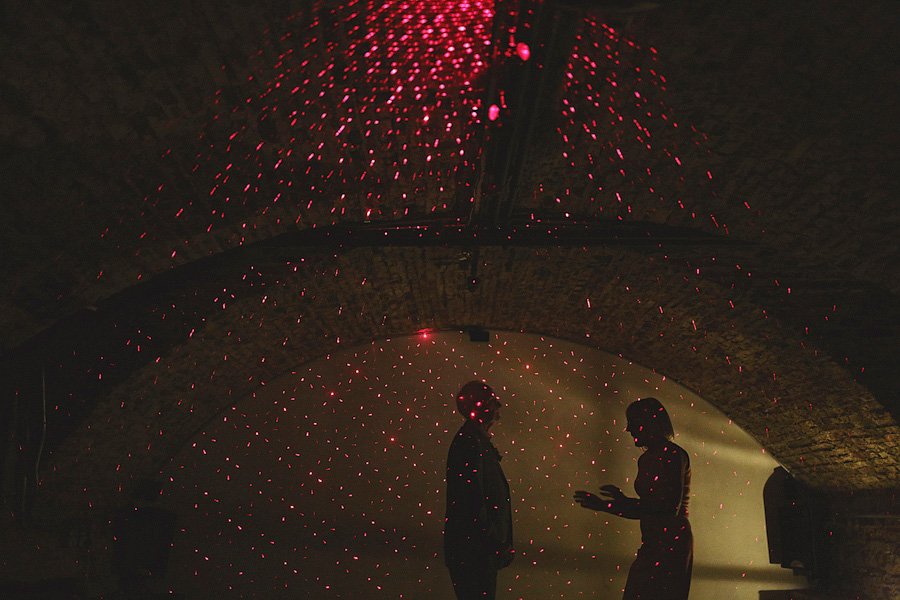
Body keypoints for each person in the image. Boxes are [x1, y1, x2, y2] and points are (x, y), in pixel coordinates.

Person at [574, 397, 692, 600]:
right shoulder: (648, 458)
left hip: (670, 546)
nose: (628, 429)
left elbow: (666, 508)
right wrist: (616, 503)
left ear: (649, 423)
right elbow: (653, 506)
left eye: (633, 422)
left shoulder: (673, 455)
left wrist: (611, 505)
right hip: (655, 543)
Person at [444, 381, 515, 599]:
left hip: (476, 550)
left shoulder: (474, 440)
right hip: (475, 552)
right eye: (493, 401)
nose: (499, 405)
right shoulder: (471, 442)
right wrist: (492, 539)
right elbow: (471, 500)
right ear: (481, 406)